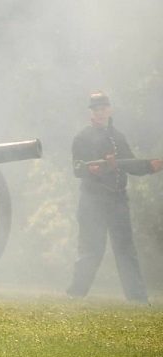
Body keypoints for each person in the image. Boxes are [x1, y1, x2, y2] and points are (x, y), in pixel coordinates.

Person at [67, 91, 162, 303]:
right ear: (91, 112)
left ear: (109, 110)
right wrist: (97, 167)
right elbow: (78, 169)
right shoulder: (82, 137)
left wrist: (150, 166)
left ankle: (137, 299)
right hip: (93, 202)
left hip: (118, 201)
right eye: (96, 110)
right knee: (91, 251)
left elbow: (129, 163)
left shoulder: (118, 137)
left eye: (103, 109)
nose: (100, 113)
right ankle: (75, 294)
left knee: (126, 250)